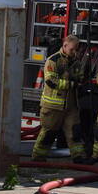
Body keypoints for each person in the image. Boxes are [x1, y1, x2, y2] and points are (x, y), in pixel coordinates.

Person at [32, 35, 90, 163]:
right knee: (48, 133)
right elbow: (51, 81)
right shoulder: (53, 60)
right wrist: (72, 84)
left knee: (75, 132)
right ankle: (38, 158)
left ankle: (79, 157)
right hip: (53, 106)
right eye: (72, 49)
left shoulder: (76, 62)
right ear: (64, 46)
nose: (75, 52)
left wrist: (82, 78)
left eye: (76, 50)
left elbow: (80, 77)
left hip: (71, 105)